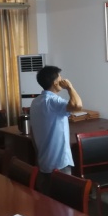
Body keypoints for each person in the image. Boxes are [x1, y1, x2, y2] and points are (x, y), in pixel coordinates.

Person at [29, 65, 83, 194]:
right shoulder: (54, 101)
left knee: (47, 196)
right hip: (59, 161)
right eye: (60, 77)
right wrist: (70, 87)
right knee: (63, 197)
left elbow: (32, 131)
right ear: (55, 82)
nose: (62, 80)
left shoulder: (35, 101)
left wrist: (38, 154)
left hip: (44, 159)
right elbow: (77, 105)